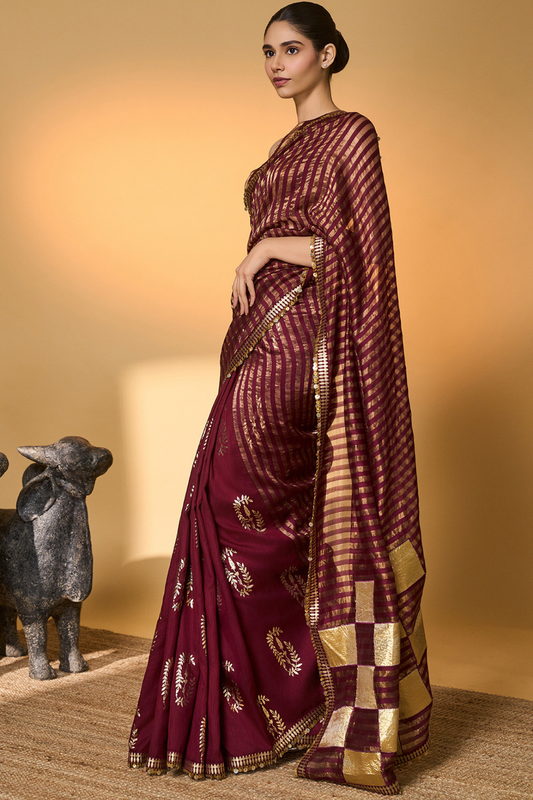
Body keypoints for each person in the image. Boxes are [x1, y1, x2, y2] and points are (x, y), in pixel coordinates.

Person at [128, 2, 431, 794]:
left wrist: (263, 247)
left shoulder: (350, 133)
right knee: (249, 515)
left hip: (302, 346)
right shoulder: (283, 147)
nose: (275, 64)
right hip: (253, 339)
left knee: (247, 512)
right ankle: (286, 702)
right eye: (267, 51)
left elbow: (358, 251)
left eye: (290, 49)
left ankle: (292, 701)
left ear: (326, 54)